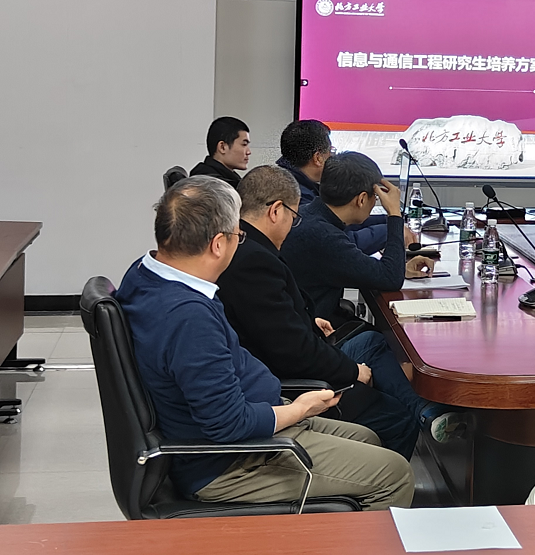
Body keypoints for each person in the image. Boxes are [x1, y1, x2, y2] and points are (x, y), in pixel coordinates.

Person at [115, 176, 413, 509]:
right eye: (237, 236)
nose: (240, 243)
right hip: (233, 461)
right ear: (218, 244)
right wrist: (299, 409)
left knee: (370, 437)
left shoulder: (145, 273)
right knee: (395, 474)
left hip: (256, 420)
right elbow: (228, 424)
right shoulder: (189, 316)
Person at [218, 165, 464, 458]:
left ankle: (428, 412)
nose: (294, 224)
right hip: (291, 379)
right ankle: (379, 479)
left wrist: (308, 321)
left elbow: (269, 320)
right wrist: (353, 371)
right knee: (397, 419)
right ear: (275, 211)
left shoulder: (247, 245)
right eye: (292, 217)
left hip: (299, 347)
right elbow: (291, 350)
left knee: (373, 342)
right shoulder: (257, 260)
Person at [281, 152, 433, 323]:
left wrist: (401, 269)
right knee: (383, 339)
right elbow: (391, 279)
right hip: (316, 330)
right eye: (375, 197)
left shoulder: (308, 213)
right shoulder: (325, 237)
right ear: (361, 199)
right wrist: (394, 214)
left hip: (303, 320)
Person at [276, 119, 387, 254]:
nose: (333, 157)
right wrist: (393, 231)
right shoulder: (297, 197)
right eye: (331, 151)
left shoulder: (290, 182)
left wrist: (387, 220)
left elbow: (343, 222)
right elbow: (342, 242)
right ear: (318, 158)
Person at [191, 116, 251, 189]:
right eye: (244, 144)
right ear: (222, 147)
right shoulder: (212, 188)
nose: (248, 152)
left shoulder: (231, 181)